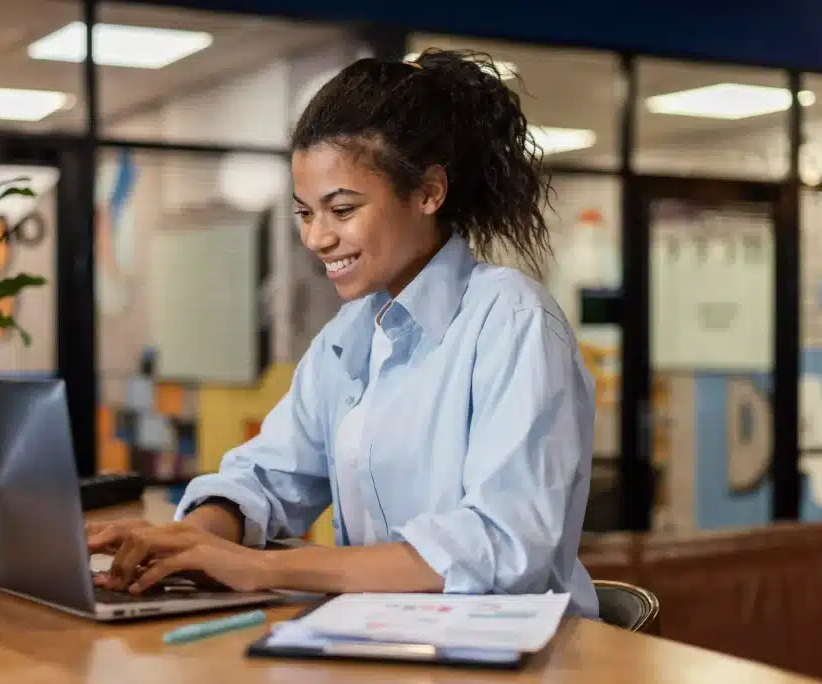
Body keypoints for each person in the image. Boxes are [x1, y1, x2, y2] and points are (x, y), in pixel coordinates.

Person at [89, 48, 599, 617]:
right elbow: (268, 474)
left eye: (342, 209)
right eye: (306, 213)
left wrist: (261, 568)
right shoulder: (351, 333)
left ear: (430, 192)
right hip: (385, 638)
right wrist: (196, 538)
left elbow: (499, 547)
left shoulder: (512, 321)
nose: (317, 238)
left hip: (520, 657)